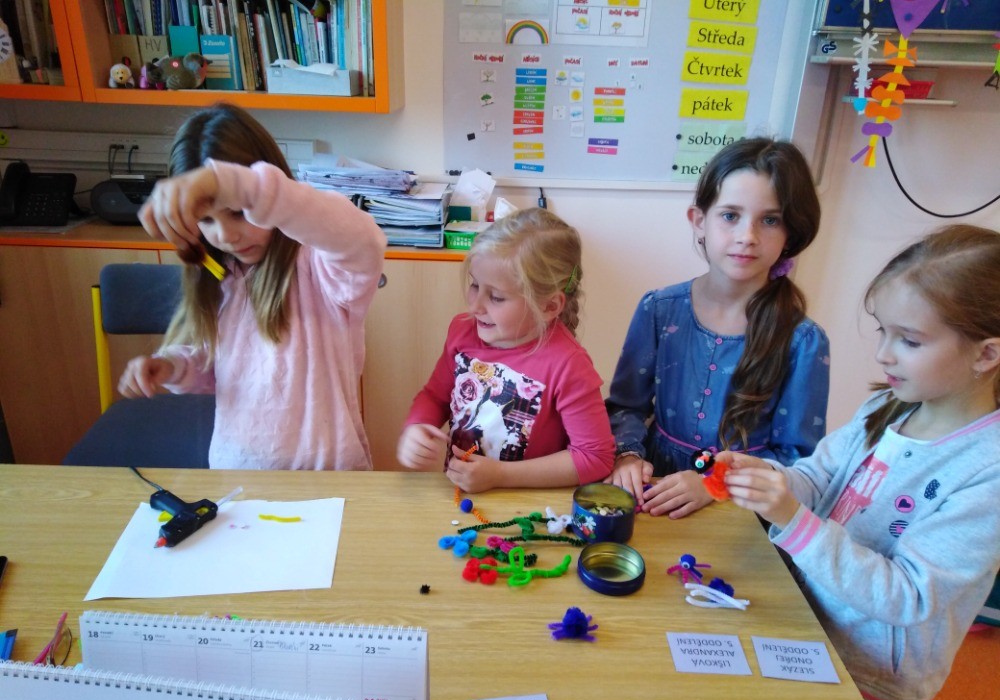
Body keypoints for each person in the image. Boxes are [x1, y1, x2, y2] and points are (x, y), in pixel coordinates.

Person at [721, 225, 1000, 700]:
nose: (884, 355)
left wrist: (793, 520)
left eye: (909, 341)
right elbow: (819, 479)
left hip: (871, 688)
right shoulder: (886, 407)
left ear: (985, 355)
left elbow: (910, 595)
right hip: (807, 632)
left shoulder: (989, 471)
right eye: (882, 332)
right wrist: (770, 480)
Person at [118, 103, 387, 471]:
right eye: (207, 221)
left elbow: (362, 239)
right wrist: (172, 366)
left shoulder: (322, 267)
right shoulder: (222, 276)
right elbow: (219, 366)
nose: (226, 235)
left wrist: (234, 185)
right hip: (238, 474)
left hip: (327, 478)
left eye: (238, 212)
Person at [605, 137, 829, 518]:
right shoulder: (659, 310)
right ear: (699, 220)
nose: (747, 236)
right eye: (730, 216)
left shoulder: (802, 341)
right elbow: (627, 406)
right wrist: (627, 455)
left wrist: (714, 480)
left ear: (790, 234)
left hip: (741, 510)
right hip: (655, 491)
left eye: (770, 220)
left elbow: (796, 458)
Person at [397, 207, 615, 492]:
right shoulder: (462, 331)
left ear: (549, 306)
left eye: (496, 297)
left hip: (527, 506)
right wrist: (416, 426)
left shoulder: (568, 364)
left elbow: (595, 458)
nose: (475, 306)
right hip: (461, 498)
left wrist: (500, 475)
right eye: (475, 285)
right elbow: (435, 396)